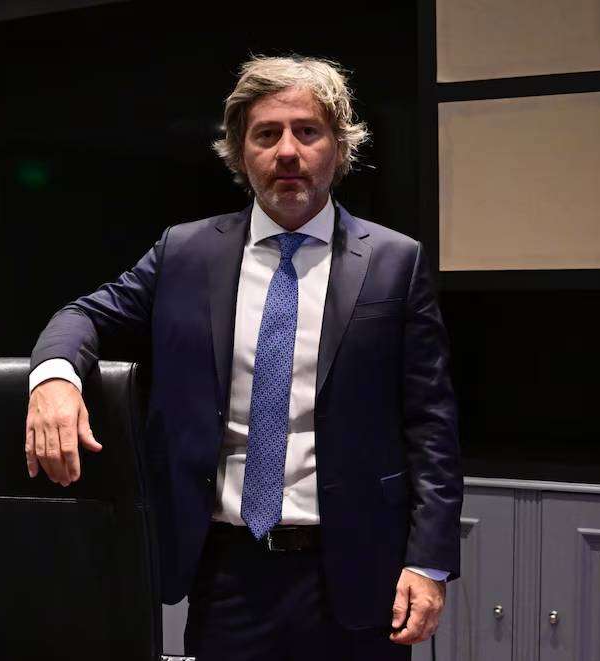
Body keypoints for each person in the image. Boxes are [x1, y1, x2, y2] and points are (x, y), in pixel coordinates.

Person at [26, 54, 462, 661]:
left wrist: (429, 562)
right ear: (239, 151)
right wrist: (53, 379)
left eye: (307, 131)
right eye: (266, 134)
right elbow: (85, 315)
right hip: (226, 570)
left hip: (360, 568)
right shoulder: (185, 252)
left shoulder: (394, 261)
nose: (288, 151)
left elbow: (431, 423)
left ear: (339, 146)